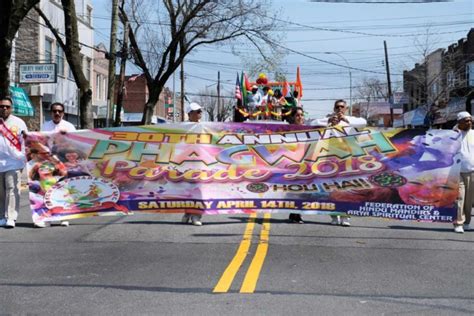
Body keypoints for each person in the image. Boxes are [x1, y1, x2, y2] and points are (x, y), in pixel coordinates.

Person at [313, 99, 367, 226]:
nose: (339, 109)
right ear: (333, 108)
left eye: (342, 107)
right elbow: (312, 123)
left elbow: (363, 122)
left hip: (347, 160)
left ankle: (345, 217)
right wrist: (328, 122)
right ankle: (334, 216)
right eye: (337, 107)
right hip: (330, 160)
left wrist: (346, 120)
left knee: (346, 189)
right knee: (332, 190)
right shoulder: (328, 120)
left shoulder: (351, 121)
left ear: (346, 108)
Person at [34, 102, 75, 228]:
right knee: (48, 189)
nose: (57, 113)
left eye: (59, 111)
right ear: (51, 113)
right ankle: (49, 217)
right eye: (54, 111)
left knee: (64, 189)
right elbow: (41, 142)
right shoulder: (45, 126)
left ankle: (64, 216)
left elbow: (75, 142)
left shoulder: (69, 126)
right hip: (49, 162)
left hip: (64, 161)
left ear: (63, 113)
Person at [0, 96, 28, 229]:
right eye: (2, 106)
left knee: (12, 189)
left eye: (7, 106)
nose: (4, 108)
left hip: (14, 162)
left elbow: (25, 141)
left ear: (11, 108)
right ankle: (2, 216)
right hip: (0, 162)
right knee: (1, 192)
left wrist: (22, 157)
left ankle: (11, 217)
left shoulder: (19, 122)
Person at [181, 102, 203, 226]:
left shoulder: (205, 127)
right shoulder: (183, 127)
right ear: (190, 114)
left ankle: (196, 216)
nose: (200, 113)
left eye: (200, 111)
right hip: (186, 163)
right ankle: (188, 213)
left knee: (199, 190)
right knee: (188, 190)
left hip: (202, 163)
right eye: (197, 111)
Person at [453, 111, 474, 233]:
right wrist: (456, 128)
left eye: (470, 120)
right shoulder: (454, 134)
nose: (469, 122)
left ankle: (467, 223)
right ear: (459, 122)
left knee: (469, 200)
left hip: (472, 171)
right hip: (457, 171)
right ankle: (458, 223)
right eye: (466, 120)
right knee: (460, 197)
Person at [288, 107, 305, 224]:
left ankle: (295, 213)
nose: (300, 117)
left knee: (302, 190)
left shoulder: (309, 129)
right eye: (297, 115)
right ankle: (295, 213)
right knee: (294, 190)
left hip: (306, 163)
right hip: (291, 163)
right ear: (293, 117)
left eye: (301, 115)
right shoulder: (288, 130)